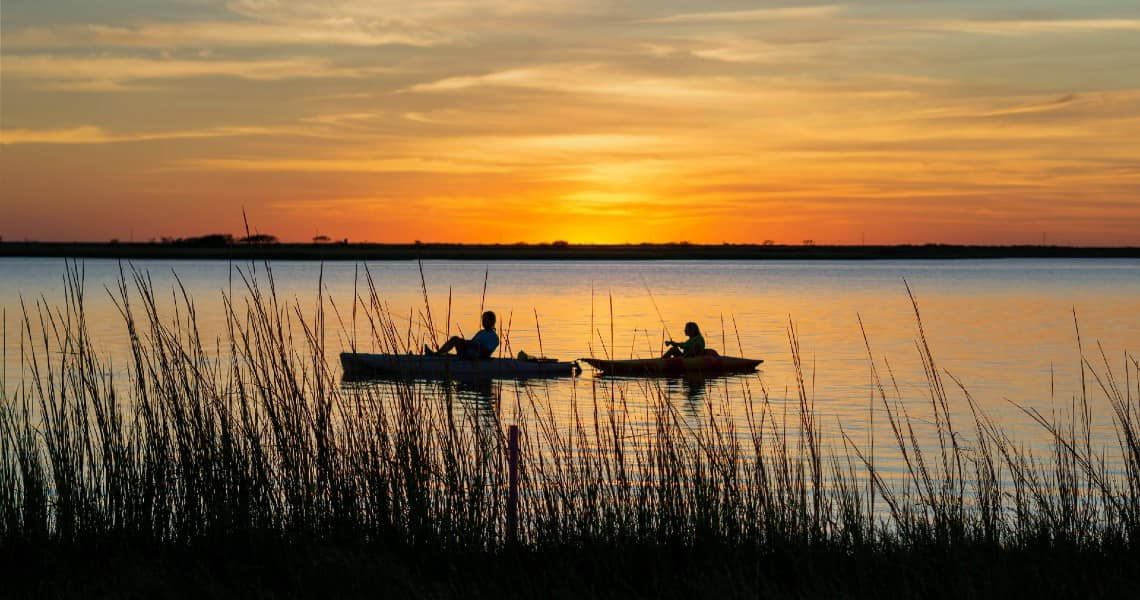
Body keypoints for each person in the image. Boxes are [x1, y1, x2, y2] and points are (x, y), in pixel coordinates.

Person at [426, 311, 499, 359]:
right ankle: (437, 355)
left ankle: (437, 356)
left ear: (492, 321)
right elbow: (472, 341)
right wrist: (467, 342)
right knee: (455, 339)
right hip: (469, 351)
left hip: (476, 357)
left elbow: (487, 352)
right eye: (483, 319)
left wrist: (475, 345)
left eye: (485, 319)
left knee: (457, 341)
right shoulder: (481, 332)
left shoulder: (494, 337)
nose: (483, 321)